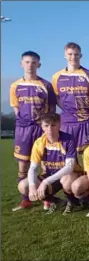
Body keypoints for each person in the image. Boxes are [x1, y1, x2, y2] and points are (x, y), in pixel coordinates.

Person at [10, 51, 56, 211]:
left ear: (39, 65)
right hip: (23, 131)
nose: (30, 65)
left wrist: (43, 124)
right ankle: (25, 200)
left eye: (34, 62)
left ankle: (46, 198)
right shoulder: (15, 86)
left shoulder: (46, 85)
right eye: (27, 62)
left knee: (44, 164)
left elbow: (51, 108)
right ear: (21, 64)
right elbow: (15, 107)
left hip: (40, 130)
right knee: (23, 166)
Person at [17, 112, 81, 214]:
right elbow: (33, 168)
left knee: (67, 180)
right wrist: (32, 186)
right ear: (41, 126)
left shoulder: (68, 139)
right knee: (23, 186)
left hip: (69, 174)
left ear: (59, 125)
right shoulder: (39, 143)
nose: (50, 129)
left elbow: (69, 167)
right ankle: (56, 201)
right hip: (50, 174)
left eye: (53, 125)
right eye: (46, 126)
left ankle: (72, 202)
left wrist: (45, 182)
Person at [51, 42, 89, 153]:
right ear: (65, 55)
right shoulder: (56, 76)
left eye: (76, 54)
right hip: (66, 121)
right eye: (70, 54)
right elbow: (56, 97)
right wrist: (66, 109)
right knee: (68, 154)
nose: (73, 57)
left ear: (80, 56)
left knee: (88, 154)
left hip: (85, 120)